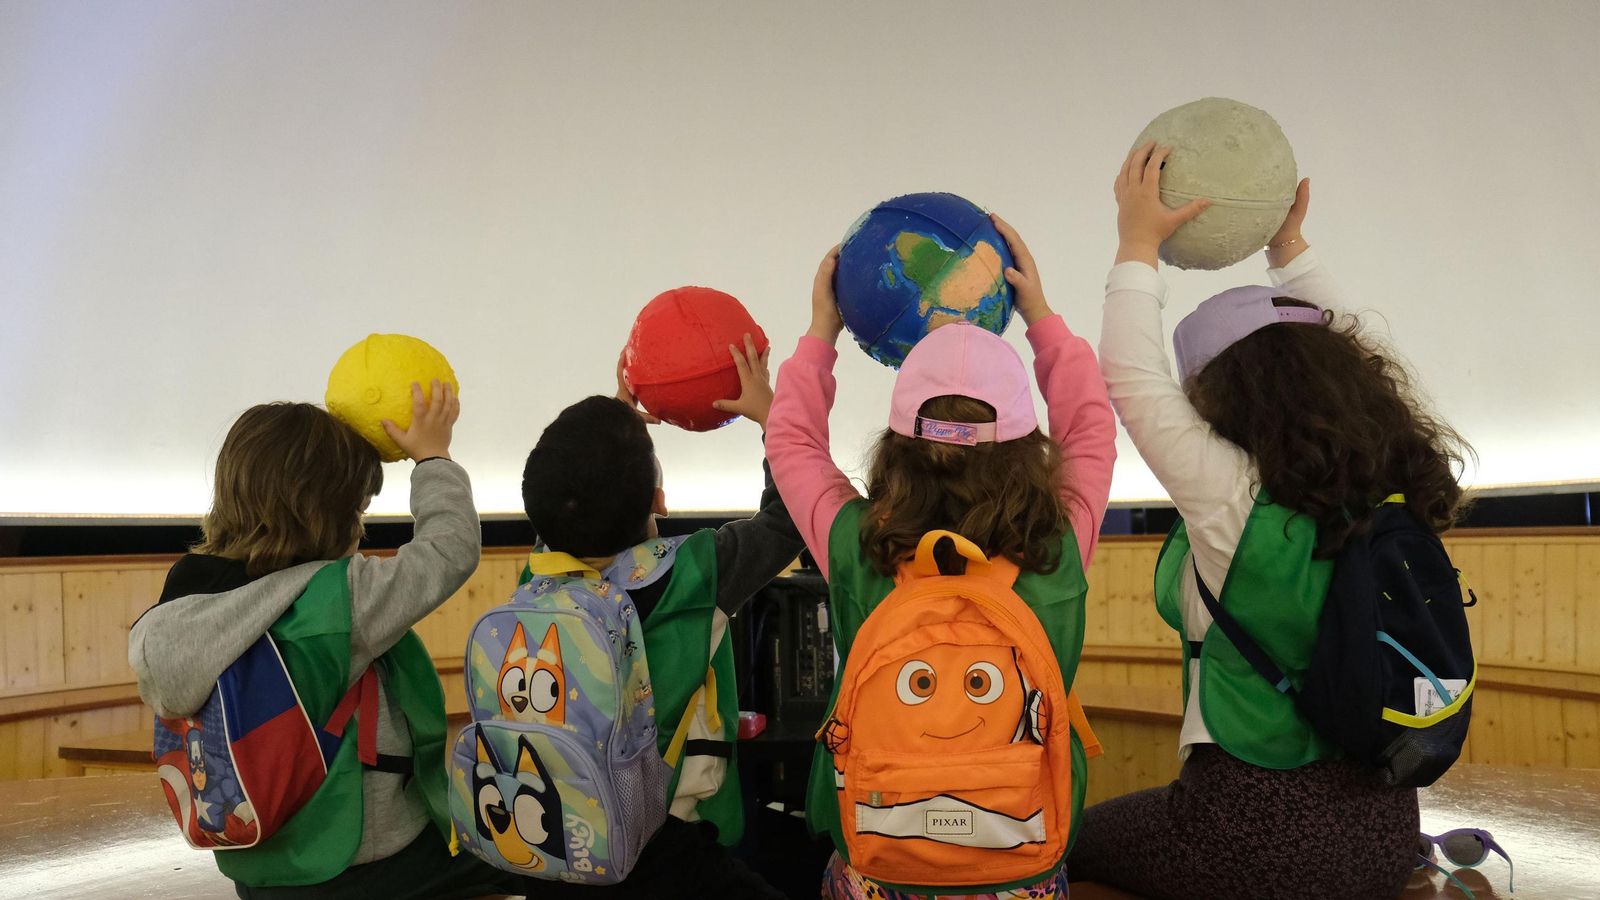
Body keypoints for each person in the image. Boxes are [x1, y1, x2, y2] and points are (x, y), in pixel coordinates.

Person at [1067, 143, 1469, 900]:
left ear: (1221, 394)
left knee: (1068, 845)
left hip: (1249, 833)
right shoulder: (1396, 487)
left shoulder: (1233, 496)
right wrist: (1290, 249)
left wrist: (1138, 243)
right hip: (1385, 831)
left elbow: (1129, 374)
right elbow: (1359, 341)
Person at [764, 219, 1117, 899]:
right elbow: (1092, 429)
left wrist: (820, 334)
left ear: (898, 439)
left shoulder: (856, 542)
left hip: (878, 866)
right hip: (1023, 865)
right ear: (1023, 441)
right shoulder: (1057, 543)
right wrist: (1040, 317)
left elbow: (792, 445)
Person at [130, 383, 520, 899]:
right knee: (527, 863)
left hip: (260, 872)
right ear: (326, 513)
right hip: (364, 865)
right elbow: (449, 548)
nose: (359, 529)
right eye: (357, 511)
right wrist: (433, 457)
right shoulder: (336, 602)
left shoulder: (176, 611)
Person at [506, 339, 802, 899]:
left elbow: (565, 500)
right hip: (668, 847)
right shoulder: (696, 570)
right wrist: (771, 414)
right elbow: (791, 518)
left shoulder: (538, 579)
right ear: (659, 499)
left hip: (557, 837)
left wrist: (614, 421)